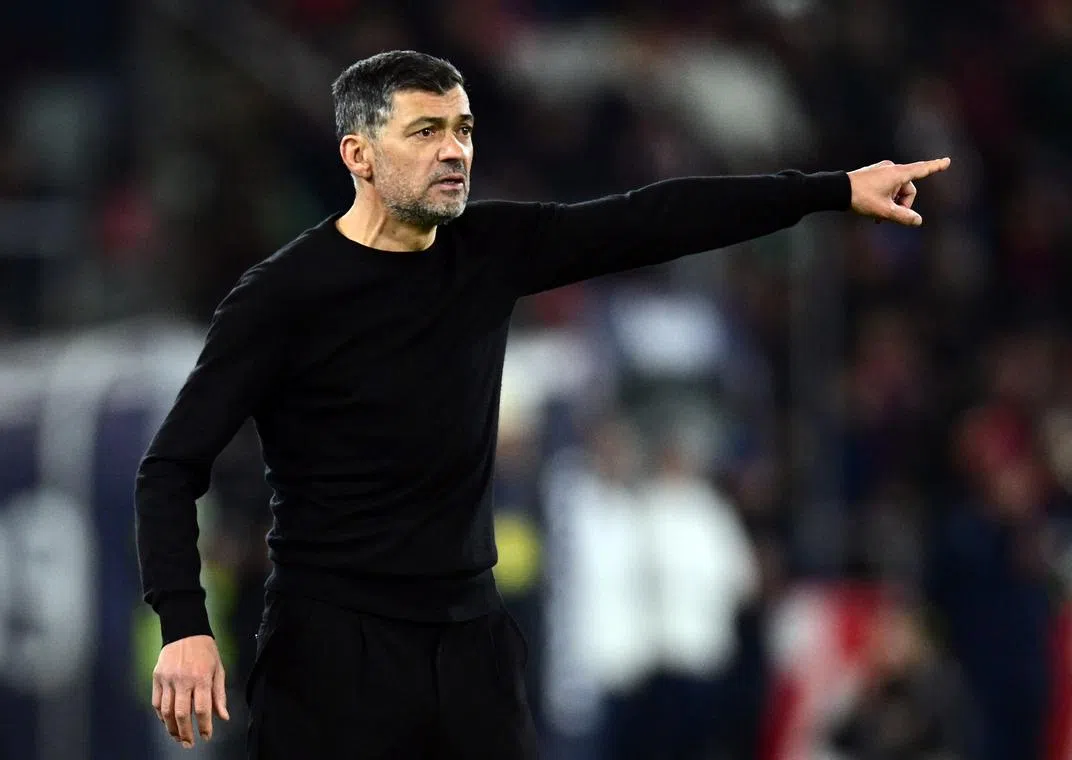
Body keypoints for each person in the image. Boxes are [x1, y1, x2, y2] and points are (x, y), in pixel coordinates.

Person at [135, 49, 951, 759]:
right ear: (358, 153)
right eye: (426, 133)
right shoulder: (281, 297)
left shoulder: (488, 250)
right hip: (333, 648)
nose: (455, 152)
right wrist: (184, 624)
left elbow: (654, 218)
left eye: (464, 130)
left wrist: (829, 189)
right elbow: (169, 469)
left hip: (471, 643)